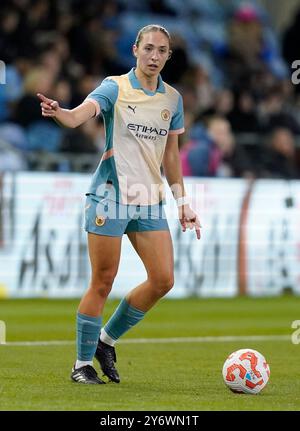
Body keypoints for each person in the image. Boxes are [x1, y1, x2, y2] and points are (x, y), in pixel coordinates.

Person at [38, 24, 201, 385]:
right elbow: (82, 114)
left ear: (168, 56)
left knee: (163, 279)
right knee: (103, 281)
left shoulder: (172, 99)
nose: (155, 56)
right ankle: (81, 365)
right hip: (110, 196)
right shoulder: (115, 87)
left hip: (149, 200)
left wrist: (183, 202)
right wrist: (60, 113)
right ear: (135, 49)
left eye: (162, 51)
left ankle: (105, 341)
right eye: (149, 49)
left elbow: (171, 155)